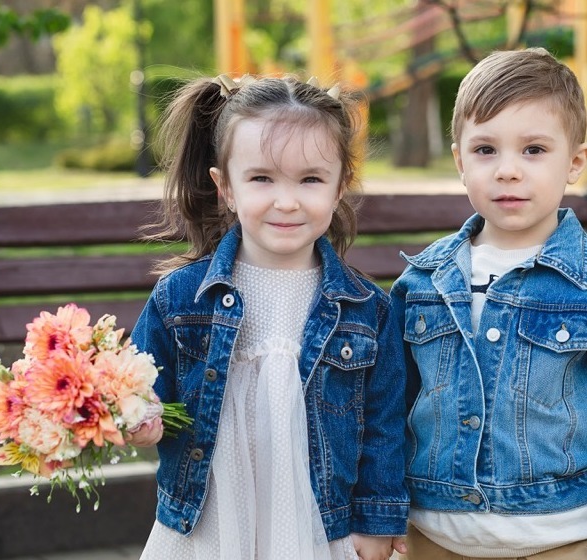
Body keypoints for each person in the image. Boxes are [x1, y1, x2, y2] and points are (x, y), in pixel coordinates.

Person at [126, 73, 409, 560]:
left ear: (339, 187)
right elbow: (141, 385)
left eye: (310, 179)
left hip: (317, 526)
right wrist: (140, 416)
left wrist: (377, 519)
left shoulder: (366, 310)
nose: (286, 201)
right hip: (210, 523)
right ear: (225, 187)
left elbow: (384, 425)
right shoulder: (181, 299)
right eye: (261, 178)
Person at [390, 47, 587, 559]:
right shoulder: (423, 280)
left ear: (575, 162)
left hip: (561, 534)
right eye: (485, 150)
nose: (508, 171)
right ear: (460, 161)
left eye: (534, 150)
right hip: (434, 534)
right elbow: (390, 406)